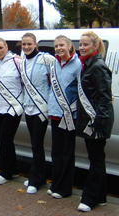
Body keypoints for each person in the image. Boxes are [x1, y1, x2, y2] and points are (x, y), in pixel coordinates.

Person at [76, 31, 114, 212]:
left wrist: (99, 121)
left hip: (98, 120)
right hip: (92, 118)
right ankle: (101, 197)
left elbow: (105, 97)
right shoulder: (86, 65)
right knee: (97, 158)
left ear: (95, 46)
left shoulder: (97, 66)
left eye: (85, 45)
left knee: (96, 160)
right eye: (80, 44)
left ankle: (89, 199)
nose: (81, 48)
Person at [20, 33, 55, 194]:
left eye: (29, 44)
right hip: (28, 107)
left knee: (37, 144)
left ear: (35, 44)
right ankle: (39, 177)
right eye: (24, 44)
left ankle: (36, 179)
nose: (26, 47)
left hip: (42, 108)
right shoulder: (22, 62)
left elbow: (56, 80)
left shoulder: (46, 59)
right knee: (35, 144)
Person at [47, 35, 81, 199]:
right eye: (56, 46)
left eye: (62, 45)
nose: (59, 48)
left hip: (69, 115)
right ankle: (55, 184)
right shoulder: (54, 63)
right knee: (56, 152)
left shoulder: (78, 64)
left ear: (69, 46)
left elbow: (83, 89)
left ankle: (65, 189)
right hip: (54, 114)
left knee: (67, 153)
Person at [0, 38, 23, 185]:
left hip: (13, 107)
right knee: (6, 140)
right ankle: (13, 169)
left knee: (5, 139)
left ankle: (5, 172)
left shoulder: (17, 62)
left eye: (1, 48)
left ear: (7, 47)